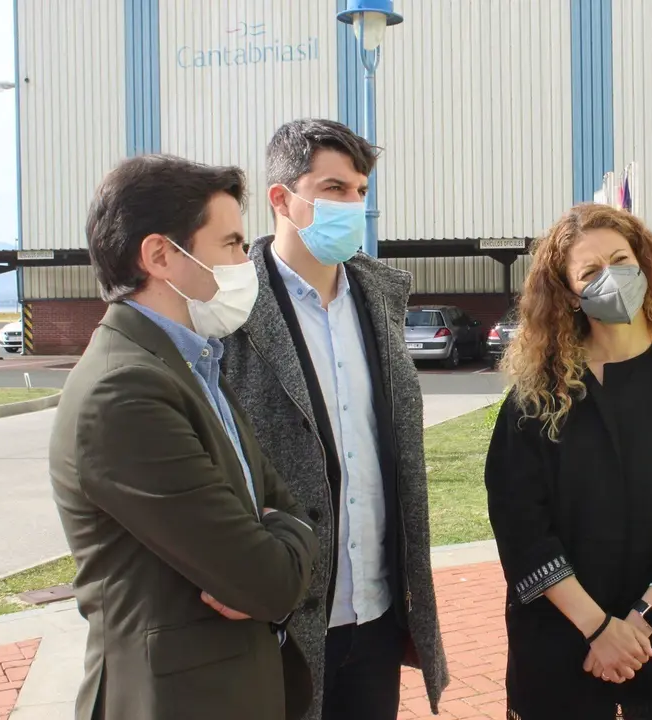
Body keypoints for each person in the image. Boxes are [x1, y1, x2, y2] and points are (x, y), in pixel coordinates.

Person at [49, 155, 319, 720]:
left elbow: (287, 509)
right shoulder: (125, 391)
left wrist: (279, 534)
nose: (247, 262)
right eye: (231, 244)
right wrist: (275, 547)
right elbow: (267, 582)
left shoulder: (193, 365)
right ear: (161, 256)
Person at [220, 119, 448, 720]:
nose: (352, 205)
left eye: (360, 192)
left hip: (374, 611)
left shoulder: (379, 298)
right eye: (334, 189)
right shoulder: (231, 305)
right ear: (281, 199)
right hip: (281, 615)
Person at [485, 203, 652, 720]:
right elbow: (520, 524)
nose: (610, 277)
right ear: (569, 291)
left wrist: (639, 623)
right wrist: (598, 628)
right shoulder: (537, 397)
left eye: (620, 259)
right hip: (559, 642)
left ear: (644, 263)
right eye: (590, 271)